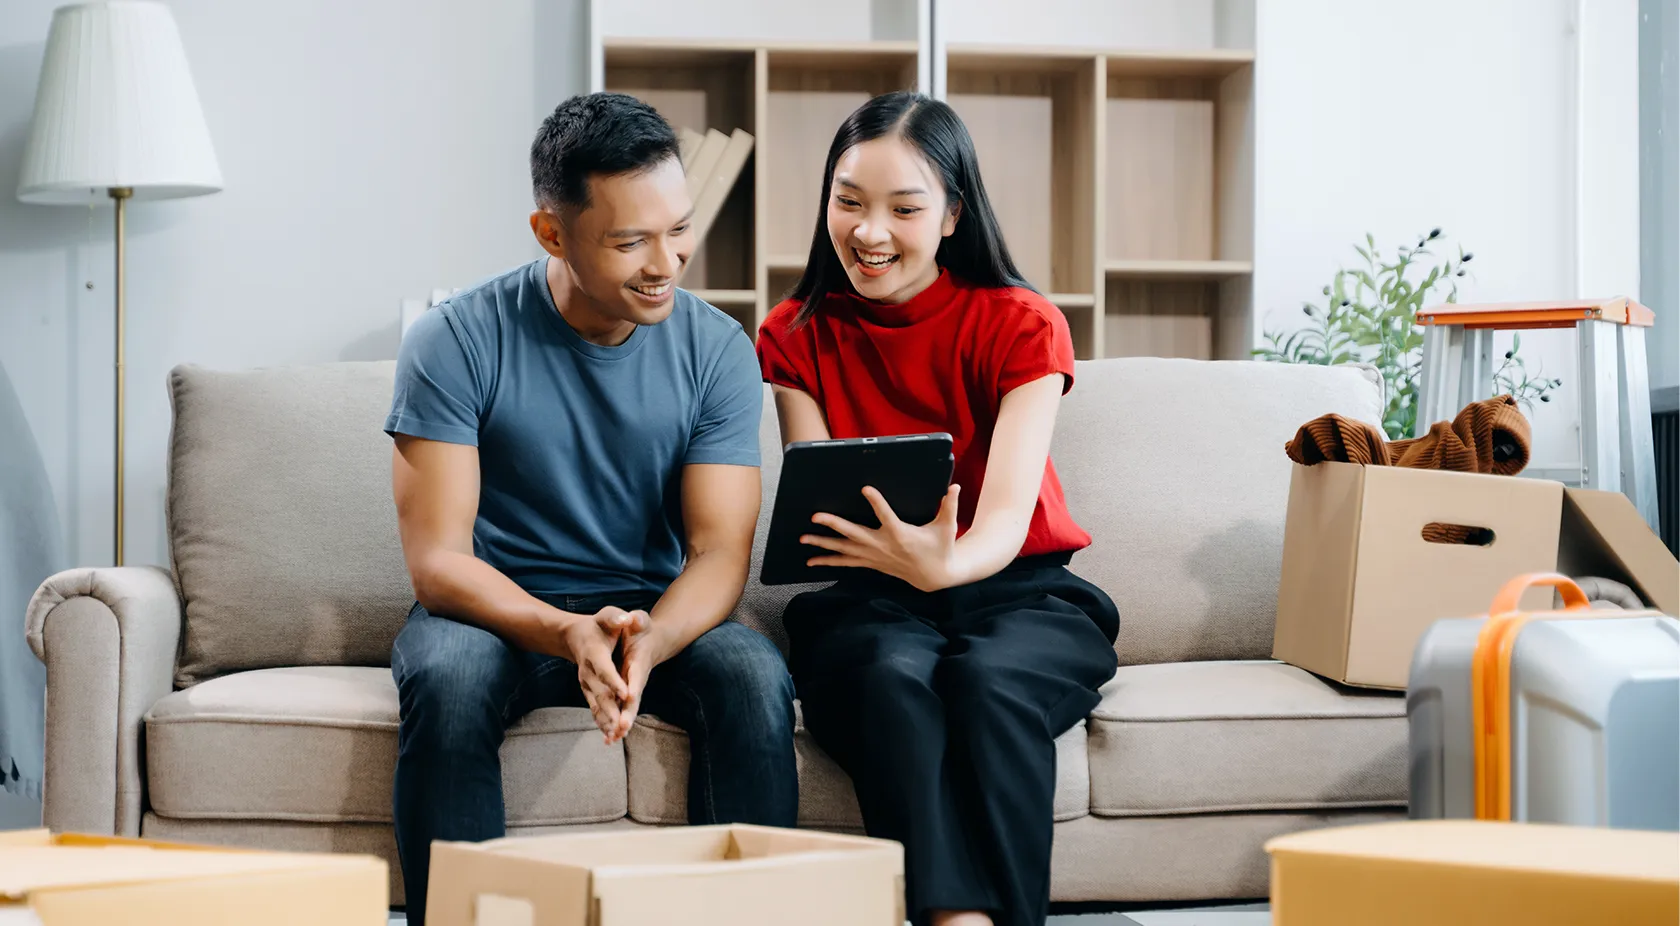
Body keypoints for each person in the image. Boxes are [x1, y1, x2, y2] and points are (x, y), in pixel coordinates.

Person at [385, 92, 797, 924]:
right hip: (496, 610)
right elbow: (439, 563)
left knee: (754, 675)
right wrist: (562, 630)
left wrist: (651, 645)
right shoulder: (457, 340)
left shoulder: (717, 350)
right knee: (448, 678)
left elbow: (720, 554)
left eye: (679, 227)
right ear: (551, 234)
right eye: (629, 241)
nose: (667, 262)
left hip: (654, 610)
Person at [755, 91, 1121, 926]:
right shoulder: (793, 334)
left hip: (1021, 589)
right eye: (848, 201)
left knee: (987, 680)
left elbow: (1002, 517)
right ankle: (955, 920)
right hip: (872, 596)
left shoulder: (1022, 324)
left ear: (953, 214)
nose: (868, 231)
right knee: (893, 677)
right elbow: (821, 494)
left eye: (904, 208)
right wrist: (904, 566)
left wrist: (944, 563)